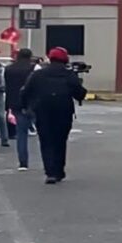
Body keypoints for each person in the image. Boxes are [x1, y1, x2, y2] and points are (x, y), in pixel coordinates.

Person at [20, 47, 87, 184]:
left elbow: (25, 91)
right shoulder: (69, 75)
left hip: (43, 111)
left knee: (46, 141)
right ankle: (59, 170)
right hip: (64, 111)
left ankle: (50, 172)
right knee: (60, 141)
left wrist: (26, 106)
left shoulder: (38, 74)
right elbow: (80, 94)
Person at [4, 48, 37, 170]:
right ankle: (49, 161)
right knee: (44, 133)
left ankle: (23, 162)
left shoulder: (8, 69)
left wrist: (8, 105)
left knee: (21, 134)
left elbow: (7, 87)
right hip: (33, 103)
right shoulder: (34, 68)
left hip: (16, 103)